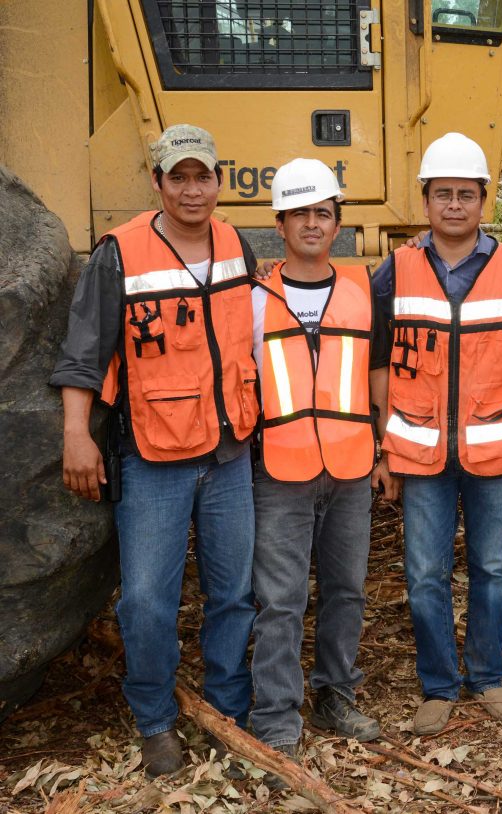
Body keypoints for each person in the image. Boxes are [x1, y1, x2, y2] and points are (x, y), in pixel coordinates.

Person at [51, 124, 259, 776]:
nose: (193, 189)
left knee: (234, 595)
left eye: (204, 176)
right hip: (153, 458)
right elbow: (84, 353)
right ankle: (155, 722)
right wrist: (76, 434)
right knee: (145, 600)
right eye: (179, 177)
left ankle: (226, 710)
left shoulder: (236, 245)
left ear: (218, 182)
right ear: (158, 182)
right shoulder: (120, 254)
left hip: (228, 456)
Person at [373, 132, 502, 736]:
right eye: (442, 195)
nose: (454, 205)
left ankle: (486, 676)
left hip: (492, 451)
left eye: (466, 195)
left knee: (491, 567)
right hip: (420, 450)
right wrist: (385, 436)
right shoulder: (396, 269)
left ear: (484, 201)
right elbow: (375, 355)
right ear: (425, 201)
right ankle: (438, 685)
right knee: (424, 572)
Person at [249, 158, 394, 760]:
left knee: (346, 589)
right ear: (279, 223)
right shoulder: (253, 296)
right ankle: (276, 713)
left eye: (323, 214)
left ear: (337, 223)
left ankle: (337, 693)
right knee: (279, 597)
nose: (313, 224)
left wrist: (385, 450)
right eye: (301, 214)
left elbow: (380, 377)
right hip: (278, 469)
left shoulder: (362, 289)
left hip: (353, 465)